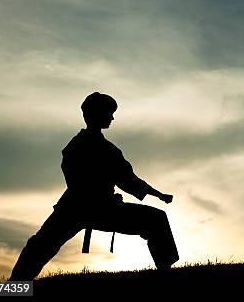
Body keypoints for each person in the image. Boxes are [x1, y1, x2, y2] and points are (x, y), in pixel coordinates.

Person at [9, 92, 178, 280]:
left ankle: (165, 273)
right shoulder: (83, 147)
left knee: (156, 220)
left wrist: (157, 194)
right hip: (83, 207)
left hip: (87, 207)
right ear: (95, 114)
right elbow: (119, 179)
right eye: (109, 113)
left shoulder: (104, 149)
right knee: (39, 246)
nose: (112, 117)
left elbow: (128, 179)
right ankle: (14, 286)